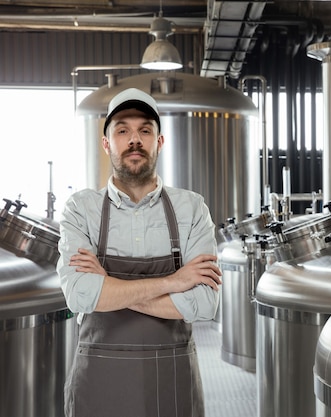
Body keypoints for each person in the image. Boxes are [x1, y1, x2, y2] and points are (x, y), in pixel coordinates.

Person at [57, 87, 222, 417]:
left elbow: (204, 304)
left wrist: (108, 284)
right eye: (122, 131)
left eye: (145, 130)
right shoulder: (81, 208)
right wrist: (173, 282)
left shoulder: (191, 208)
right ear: (107, 144)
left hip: (171, 384)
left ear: (159, 142)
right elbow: (81, 297)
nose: (135, 139)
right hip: (99, 383)